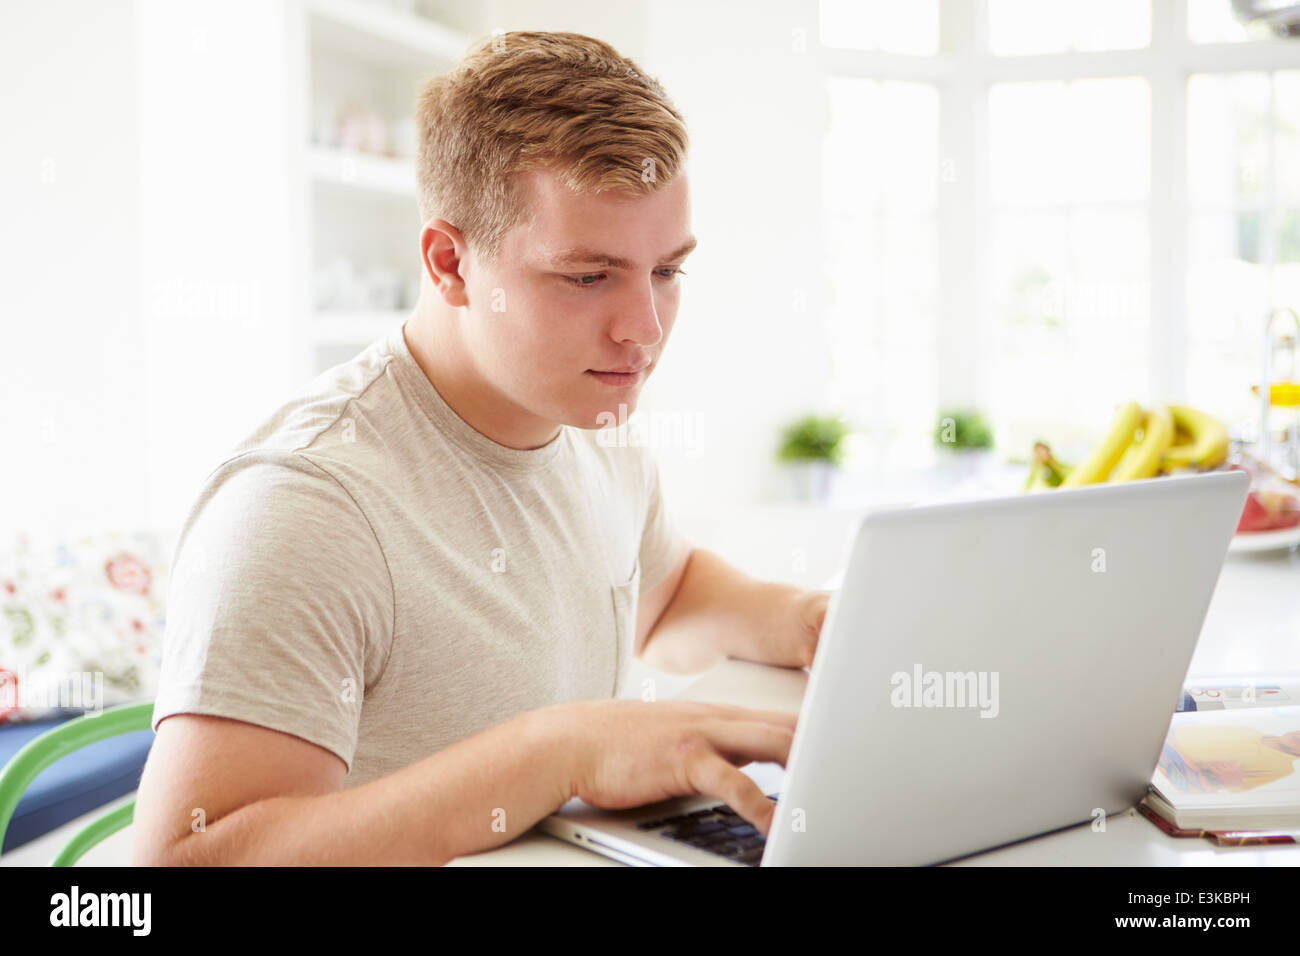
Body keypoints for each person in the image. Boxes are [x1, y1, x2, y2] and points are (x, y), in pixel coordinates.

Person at [132, 31, 829, 866]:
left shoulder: (595, 422)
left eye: (667, 272)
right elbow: (184, 863)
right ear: (450, 262)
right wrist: (563, 752)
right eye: (587, 276)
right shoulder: (306, 504)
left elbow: (669, 595)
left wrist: (803, 624)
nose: (643, 331)